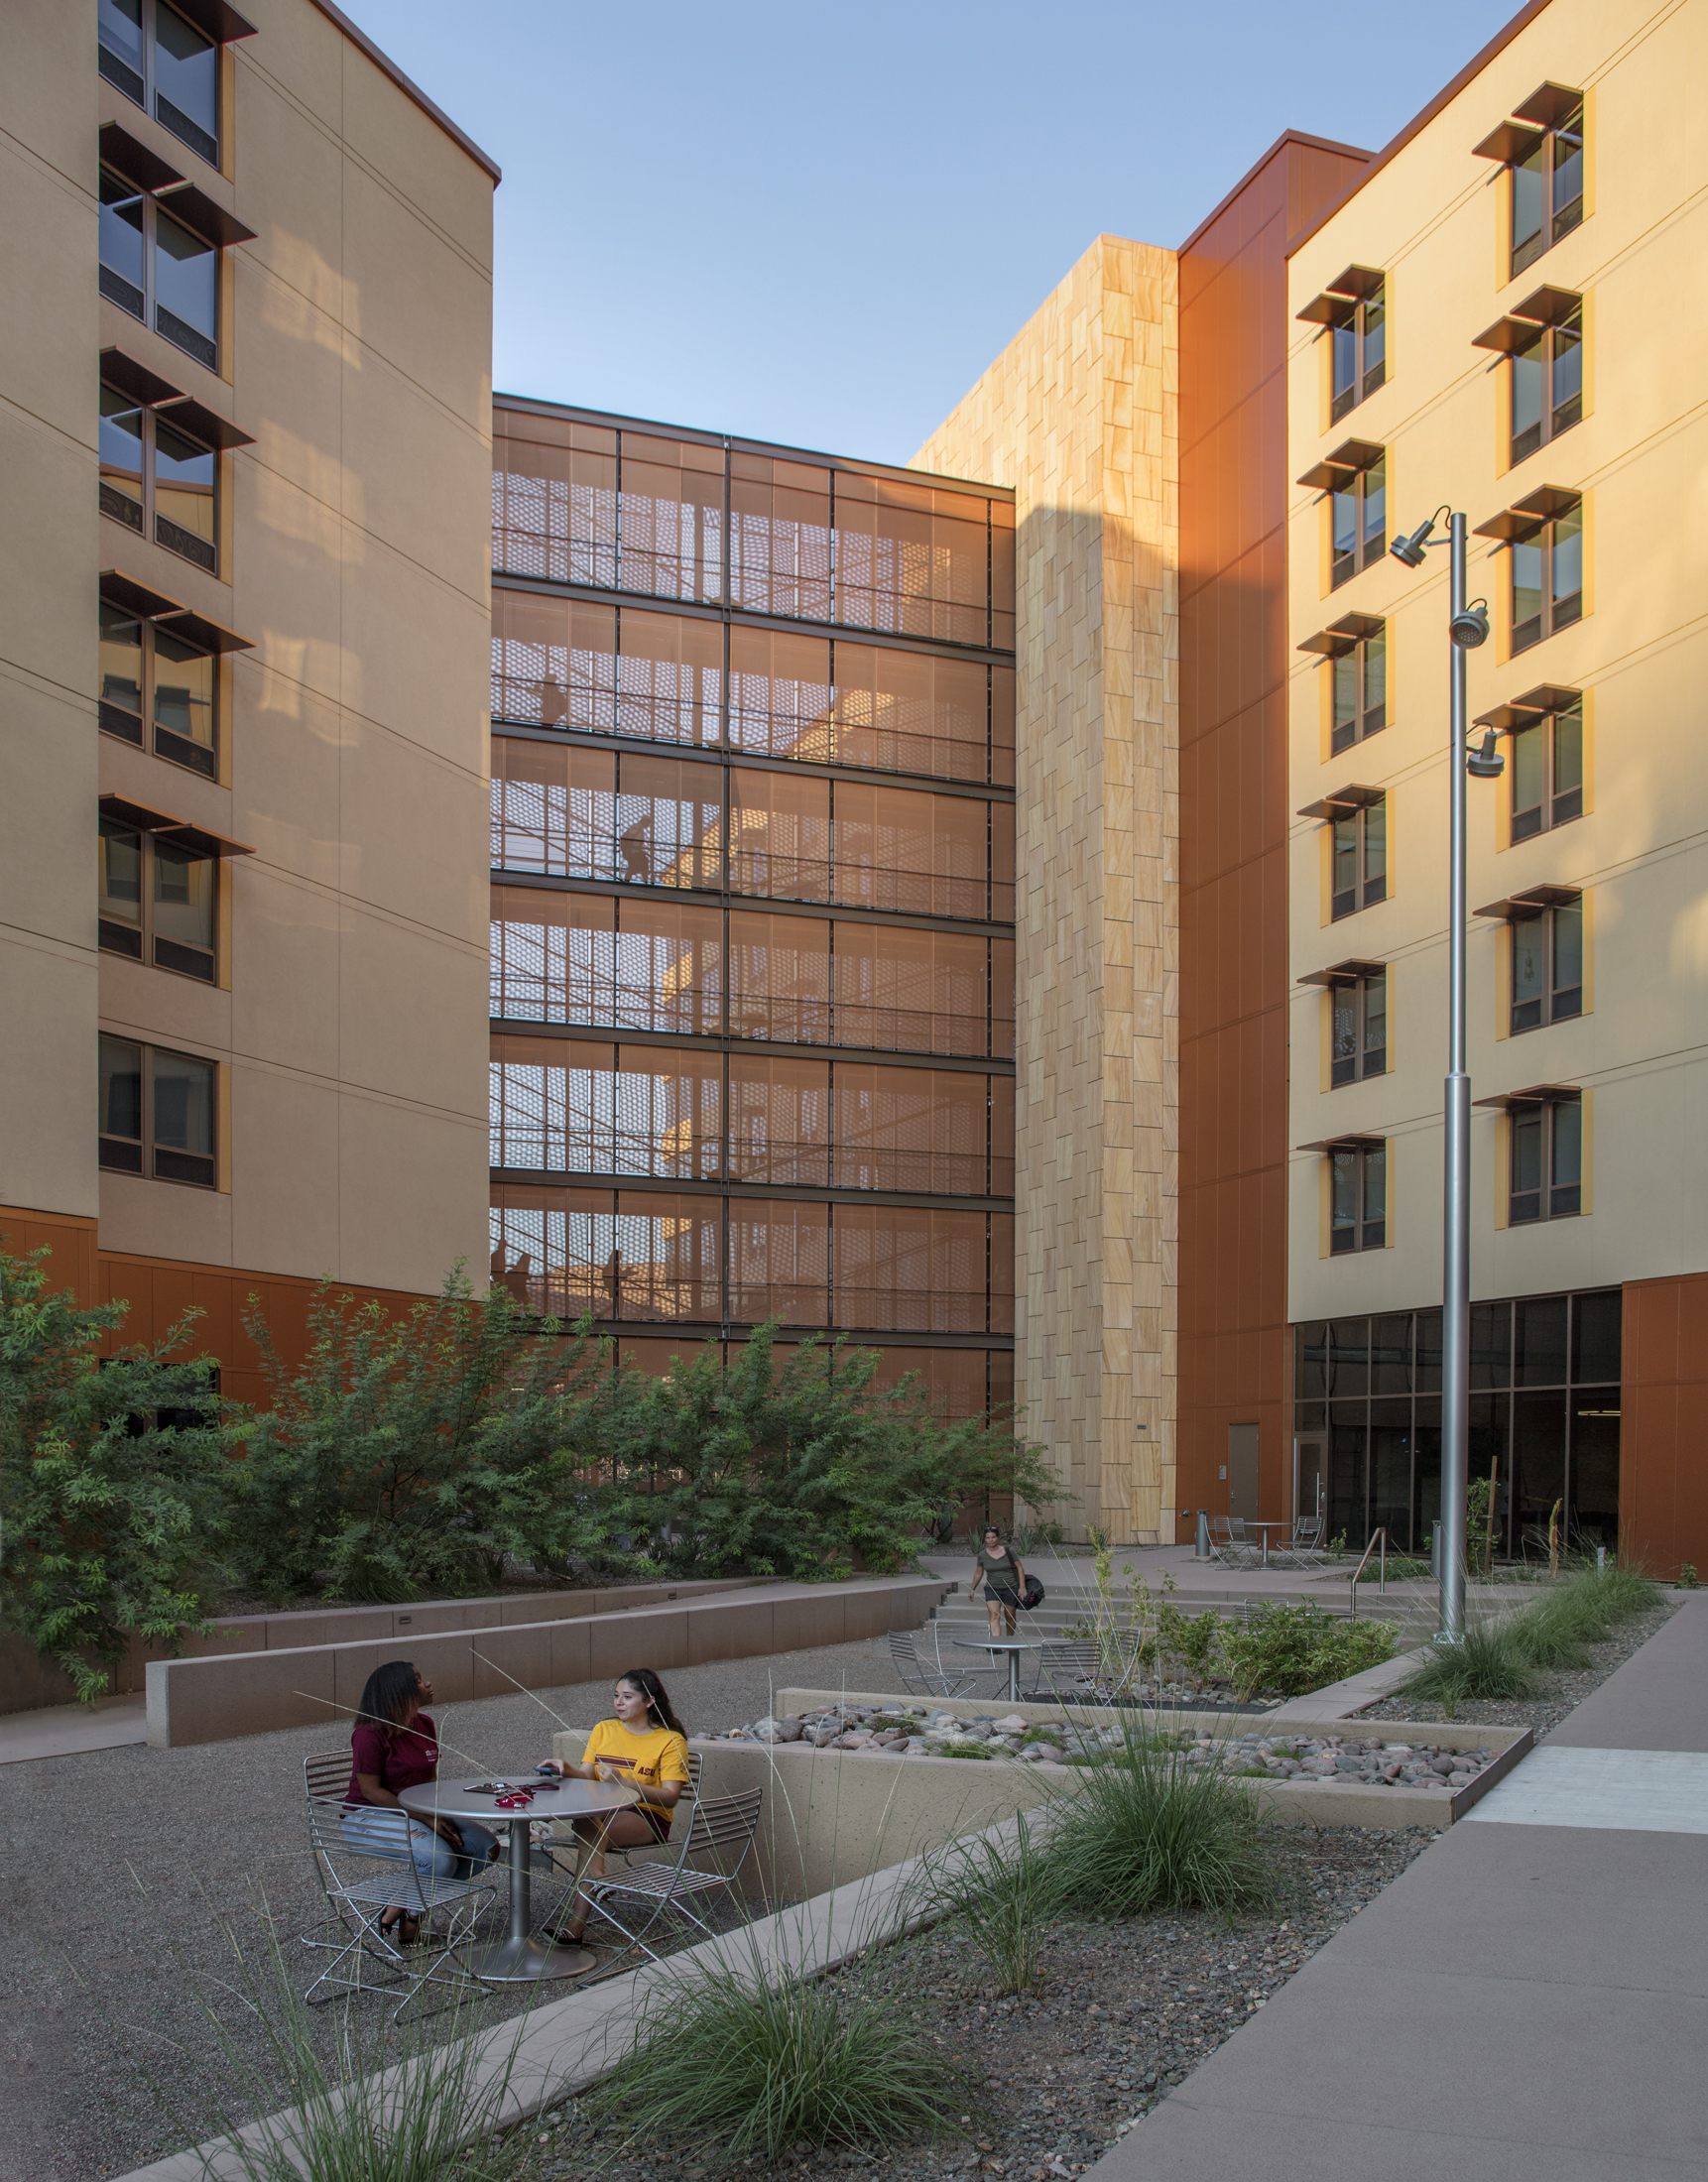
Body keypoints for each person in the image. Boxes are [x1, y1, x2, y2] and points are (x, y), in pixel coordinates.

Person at [341, 1659, 497, 1946]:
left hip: (418, 1812)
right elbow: (372, 1791)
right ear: (397, 1691)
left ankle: (401, 1904)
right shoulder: (368, 1734)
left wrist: (441, 1813)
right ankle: (414, 1917)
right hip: (368, 1816)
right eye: (417, 1680)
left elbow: (430, 1782)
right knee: (438, 1859)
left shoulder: (424, 1724)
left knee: (486, 1849)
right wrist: (427, 1819)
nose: (427, 1684)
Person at [538, 1667, 690, 1947]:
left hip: (646, 1815)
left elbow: (670, 1797)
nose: (618, 1702)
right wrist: (565, 1767)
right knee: (589, 1820)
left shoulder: (670, 1740)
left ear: (649, 1702)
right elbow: (586, 1777)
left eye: (627, 1696)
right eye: (616, 1696)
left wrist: (624, 1782)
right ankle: (598, 1880)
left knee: (592, 1831)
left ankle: (577, 1924)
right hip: (602, 1812)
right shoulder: (604, 1729)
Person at [970, 1524, 1027, 1637]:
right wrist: (972, 1589)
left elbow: (1020, 1568)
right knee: (994, 1615)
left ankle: (1009, 1640)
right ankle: (996, 1644)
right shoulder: (982, 1555)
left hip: (1010, 1587)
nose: (991, 1540)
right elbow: (978, 1572)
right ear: (985, 1539)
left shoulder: (1009, 1551)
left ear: (998, 1538)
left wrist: (1022, 1587)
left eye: (993, 1537)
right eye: (988, 1538)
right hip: (992, 1588)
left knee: (1010, 1615)